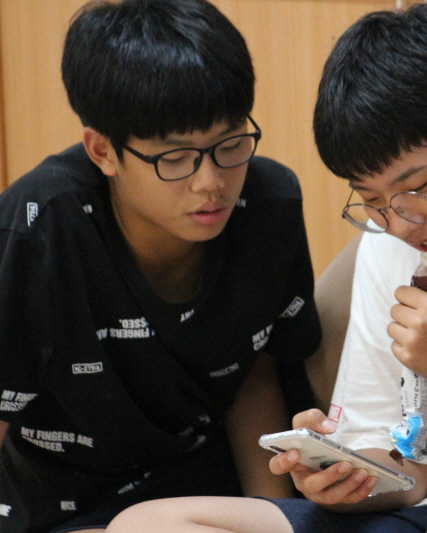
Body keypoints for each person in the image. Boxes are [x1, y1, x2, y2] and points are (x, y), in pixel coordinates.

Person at [105, 3, 427, 533]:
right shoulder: (394, 236)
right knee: (148, 523)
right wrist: (342, 475)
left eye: (417, 188)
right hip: (424, 516)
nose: (398, 223)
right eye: (371, 200)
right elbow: (407, 472)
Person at [0, 0, 322, 531]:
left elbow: (256, 376)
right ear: (103, 151)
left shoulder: (268, 205)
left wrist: (275, 516)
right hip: (60, 507)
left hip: (207, 495)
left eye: (230, 144)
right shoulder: (40, 229)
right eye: (175, 158)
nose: (210, 182)